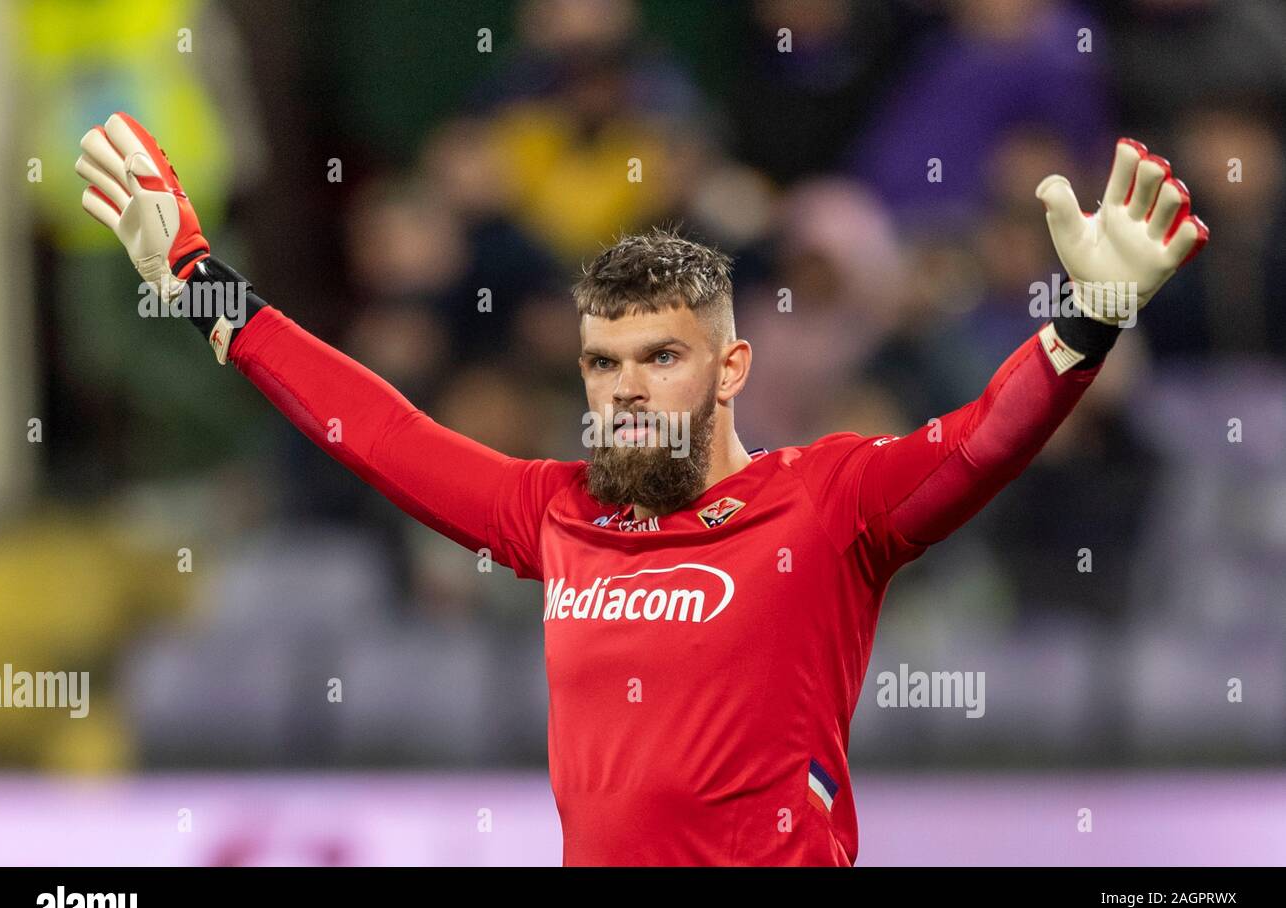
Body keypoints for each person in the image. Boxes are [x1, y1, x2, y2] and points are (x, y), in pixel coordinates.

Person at [76, 113, 1207, 865]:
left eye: (657, 357)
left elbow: (978, 444)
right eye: (603, 362)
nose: (624, 387)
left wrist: (1085, 321)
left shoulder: (828, 503)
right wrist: (195, 284)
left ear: (729, 368)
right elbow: (375, 429)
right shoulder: (555, 513)